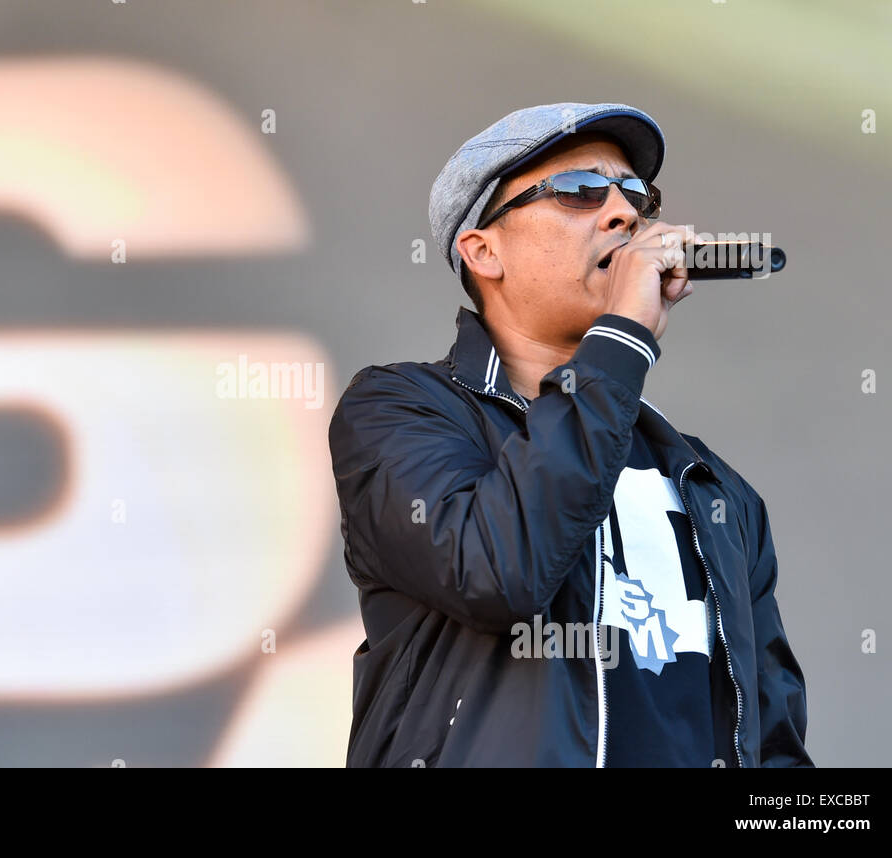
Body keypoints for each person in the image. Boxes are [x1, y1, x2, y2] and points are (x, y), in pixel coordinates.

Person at [328, 102, 812, 767]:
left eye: (635, 195)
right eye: (581, 192)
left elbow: (773, 740)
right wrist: (623, 335)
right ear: (483, 251)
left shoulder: (712, 488)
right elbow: (500, 572)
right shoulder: (399, 410)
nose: (623, 214)